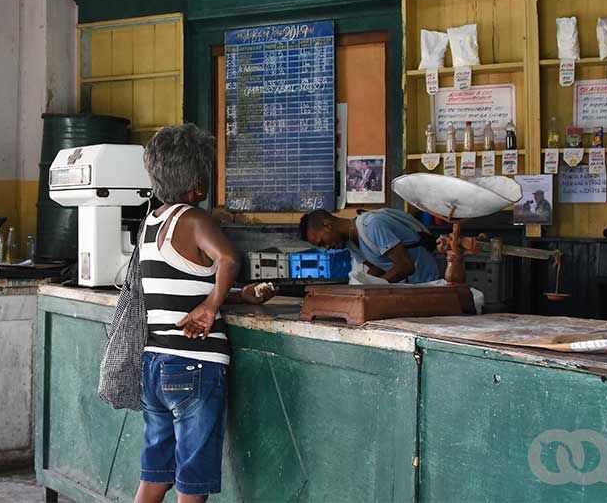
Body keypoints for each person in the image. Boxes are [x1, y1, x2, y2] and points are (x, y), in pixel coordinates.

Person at [137, 124, 276, 503]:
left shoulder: (151, 224)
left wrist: (232, 296)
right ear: (198, 184)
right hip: (194, 366)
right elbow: (229, 258)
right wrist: (213, 305)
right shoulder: (196, 220)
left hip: (154, 365)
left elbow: (184, 289)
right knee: (192, 481)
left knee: (155, 474)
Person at [299, 208, 439, 284]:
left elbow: (405, 266)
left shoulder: (372, 225)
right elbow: (376, 267)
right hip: (409, 289)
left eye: (322, 242)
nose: (326, 248)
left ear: (327, 225)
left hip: (427, 284)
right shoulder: (350, 242)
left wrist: (373, 289)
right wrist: (359, 286)